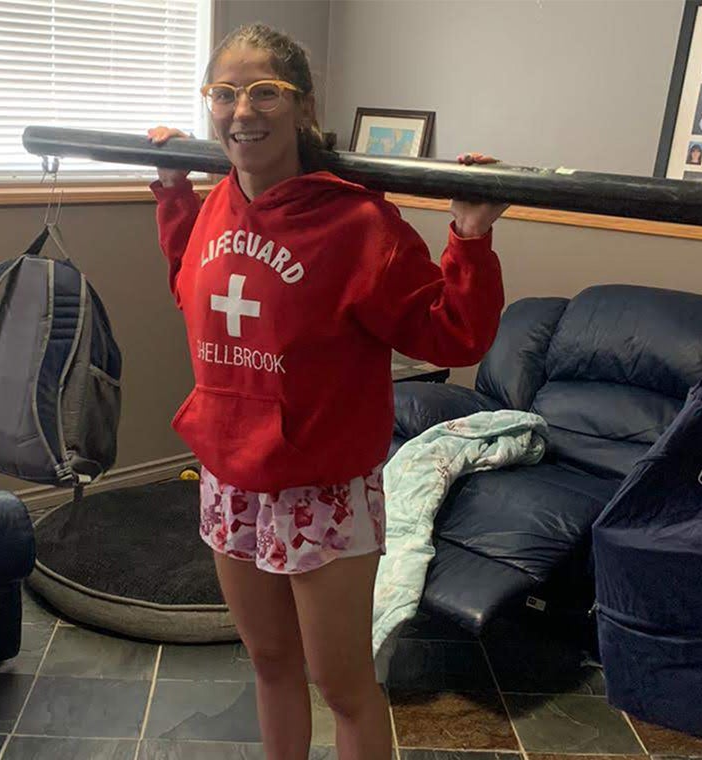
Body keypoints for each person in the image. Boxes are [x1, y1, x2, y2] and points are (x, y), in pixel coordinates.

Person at [146, 23, 507, 760]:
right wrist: (175, 191)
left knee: (341, 687)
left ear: (302, 106)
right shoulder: (216, 203)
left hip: (320, 489)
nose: (241, 110)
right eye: (224, 93)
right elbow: (191, 281)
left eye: (263, 92)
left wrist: (469, 236)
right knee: (271, 667)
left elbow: (453, 336)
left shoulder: (357, 221)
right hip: (229, 476)